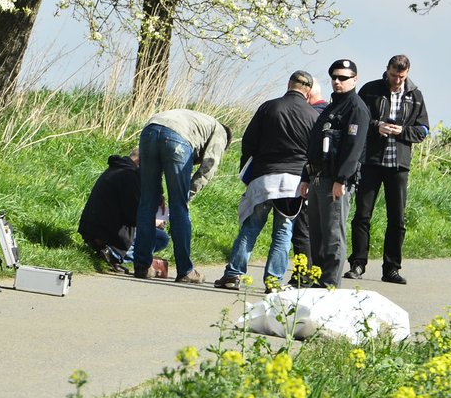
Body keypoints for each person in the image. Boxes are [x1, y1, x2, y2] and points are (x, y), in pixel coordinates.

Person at [214, 71, 318, 293]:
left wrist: (247, 173)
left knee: (251, 227)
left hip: (264, 177)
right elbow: (314, 154)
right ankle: (273, 282)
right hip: (293, 181)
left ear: (289, 83)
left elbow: (249, 143)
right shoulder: (312, 115)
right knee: (283, 231)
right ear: (308, 91)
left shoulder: (268, 107)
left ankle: (233, 275)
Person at [345, 55, 430, 285]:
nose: (397, 80)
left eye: (401, 77)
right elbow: (356, 120)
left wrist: (401, 131)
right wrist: (377, 126)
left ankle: (391, 268)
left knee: (397, 219)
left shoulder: (415, 95)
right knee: (362, 215)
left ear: (407, 73)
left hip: (399, 165)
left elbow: (423, 130)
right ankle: (358, 264)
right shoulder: (370, 90)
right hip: (371, 161)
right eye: (394, 75)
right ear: (387, 70)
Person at [130, 109, 231, 283]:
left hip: (149, 130)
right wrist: (187, 196)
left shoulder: (198, 121)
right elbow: (209, 166)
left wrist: (158, 193)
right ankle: (185, 271)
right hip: (177, 138)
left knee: (147, 202)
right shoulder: (221, 132)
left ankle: (142, 266)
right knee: (179, 208)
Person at [298, 59, 370, 288]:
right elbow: (314, 146)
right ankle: (318, 282)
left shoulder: (356, 109)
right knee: (317, 237)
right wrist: (305, 177)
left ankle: (329, 286)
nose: (338, 82)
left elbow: (354, 149)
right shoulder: (331, 107)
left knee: (332, 237)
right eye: (335, 77)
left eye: (343, 78)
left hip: (335, 182)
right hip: (318, 178)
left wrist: (341, 179)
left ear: (354, 80)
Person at [78, 148, 169, 272]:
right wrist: (154, 222)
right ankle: (113, 253)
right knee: (162, 238)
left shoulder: (117, 169)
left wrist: (158, 197)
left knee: (156, 235)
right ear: (141, 162)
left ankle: (118, 254)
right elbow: (133, 216)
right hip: (106, 233)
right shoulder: (129, 175)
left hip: (94, 228)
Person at [289, 77, 329, 283]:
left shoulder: (315, 114)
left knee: (302, 228)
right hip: (317, 176)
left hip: (308, 175)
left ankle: (303, 274)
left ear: (308, 92)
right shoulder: (325, 112)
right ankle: (310, 272)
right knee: (310, 227)